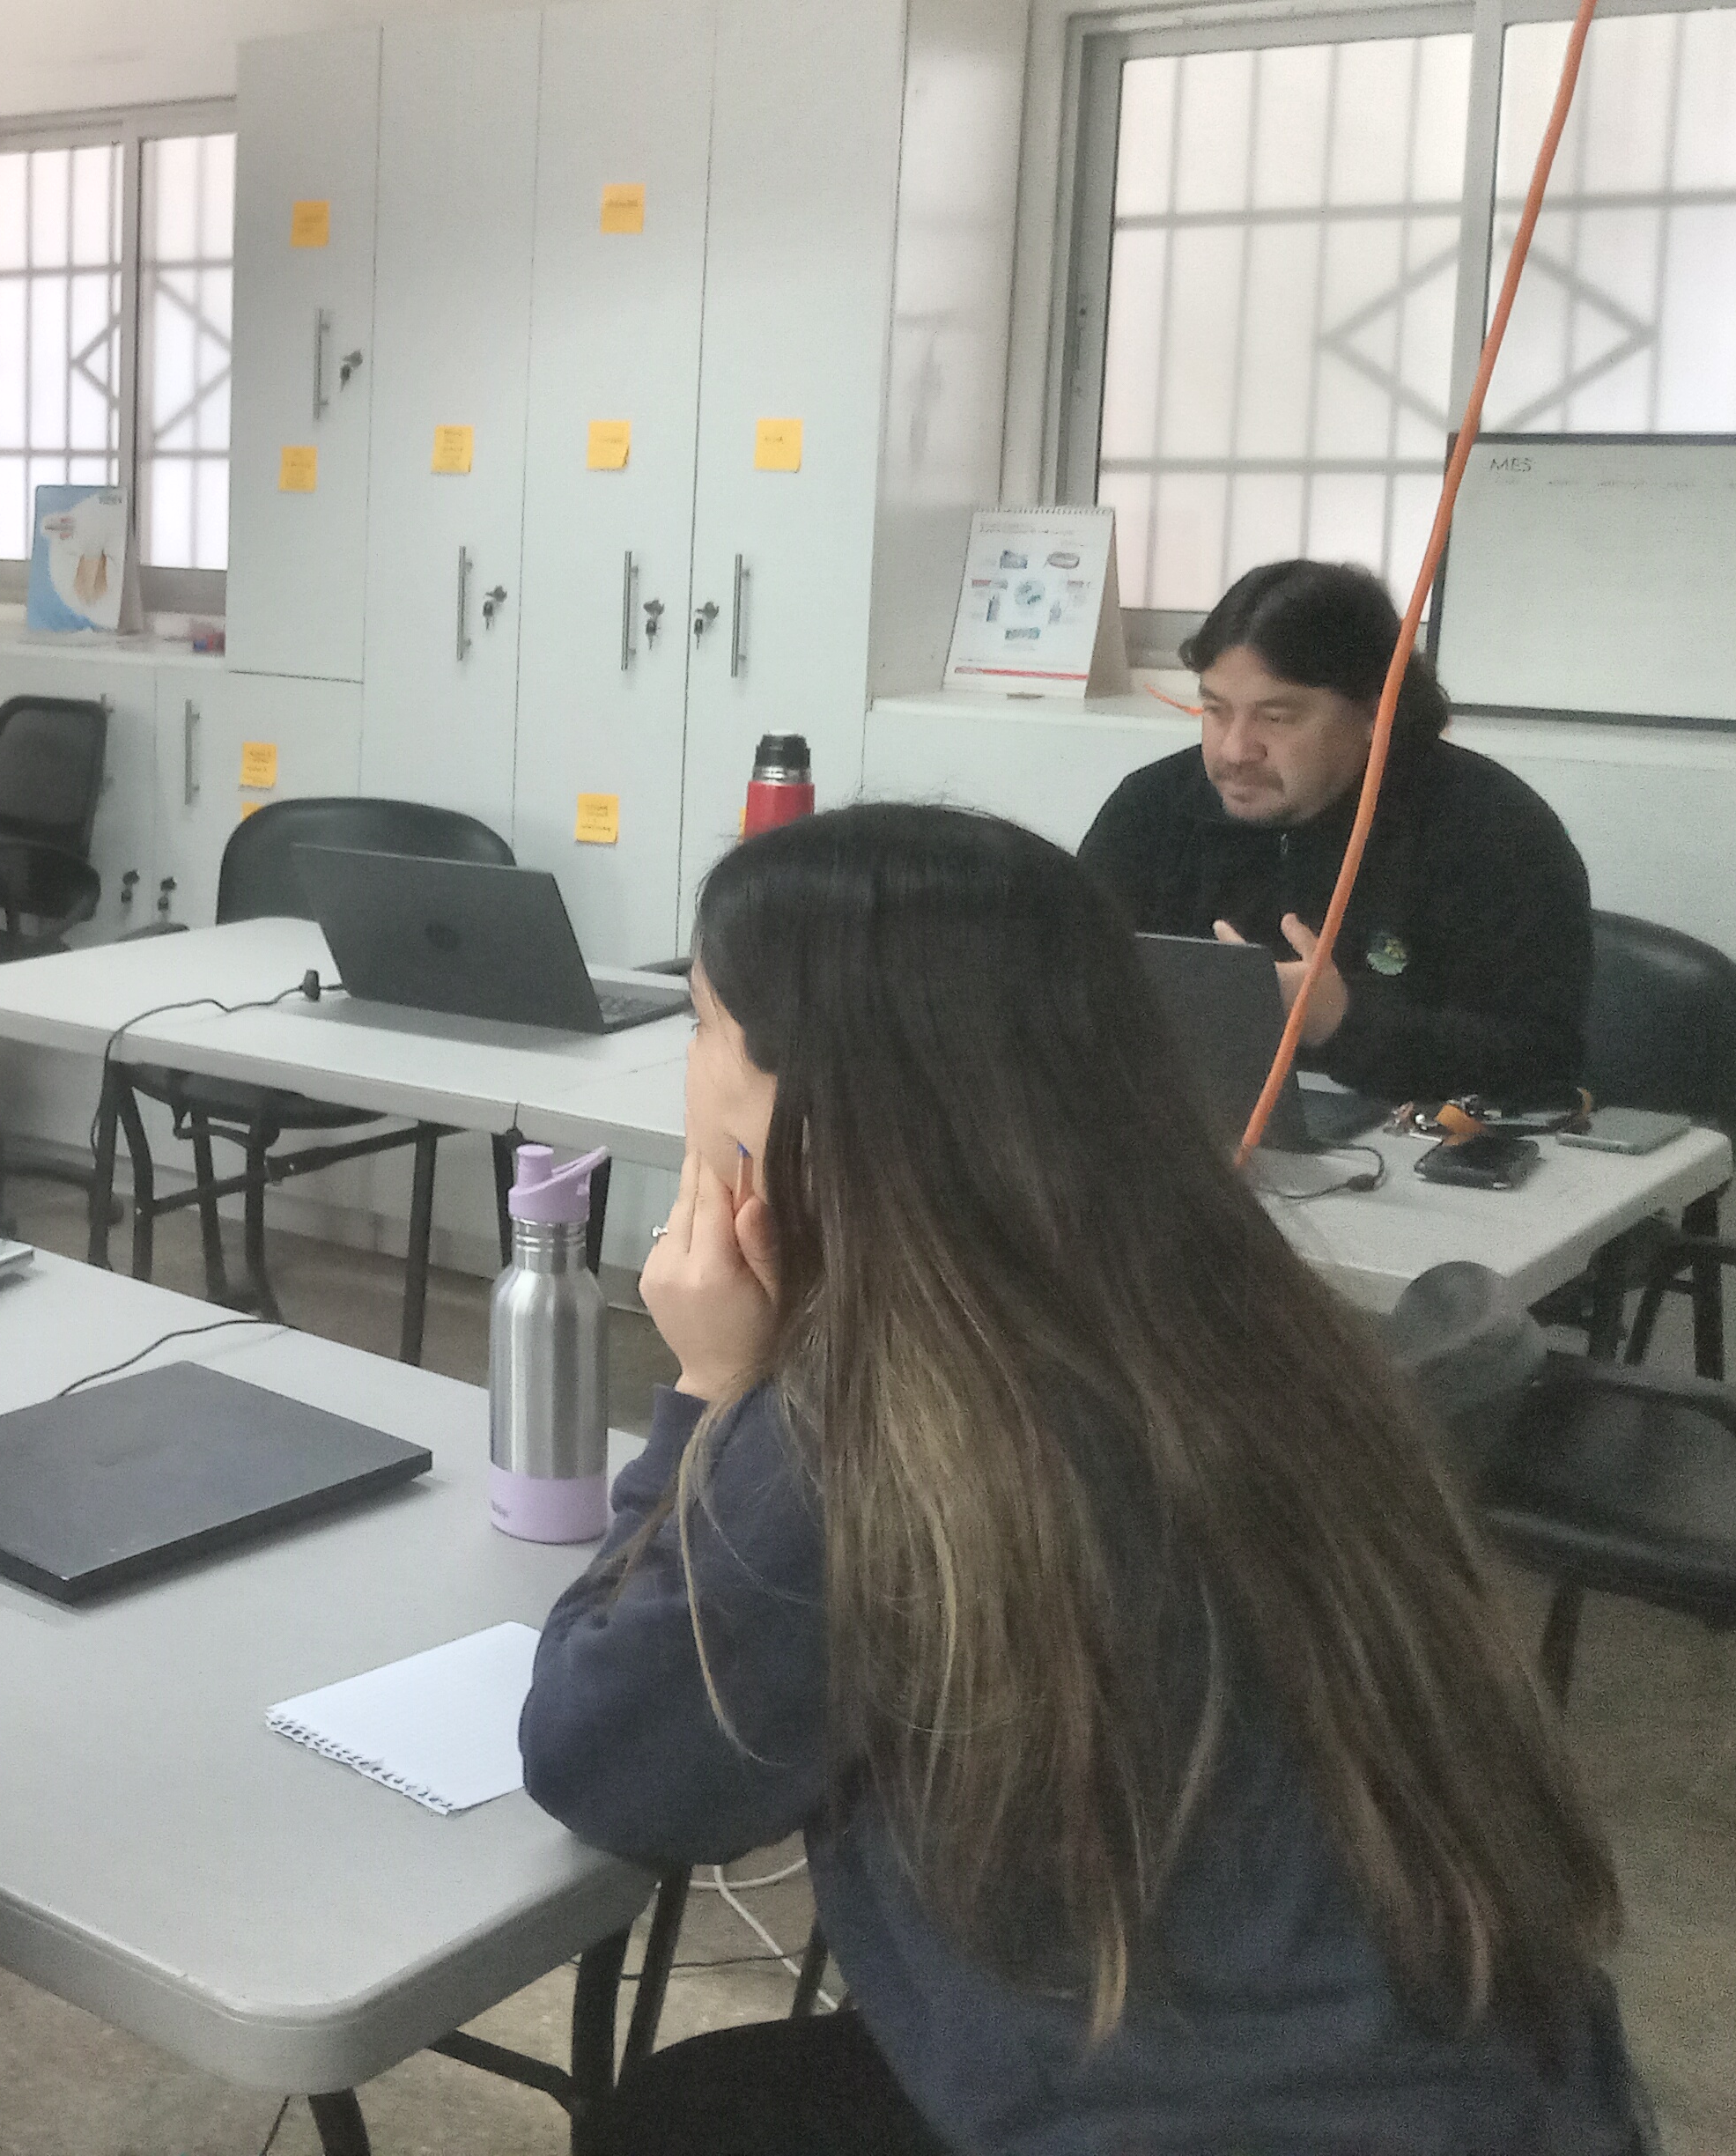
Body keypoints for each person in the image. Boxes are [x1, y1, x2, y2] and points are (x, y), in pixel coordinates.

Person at [521, 804, 1642, 2156]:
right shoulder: (1237, 1309)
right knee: (711, 2106)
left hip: (1221, 2125)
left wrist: (710, 1390)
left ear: (811, 1099)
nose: (687, 1069)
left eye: (705, 1024)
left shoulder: (883, 1419)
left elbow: (610, 1764)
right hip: (1503, 2093)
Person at [1076, 556, 1591, 1104]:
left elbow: (1540, 1061)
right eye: (1216, 710)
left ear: (1374, 713)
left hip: (1410, 1139)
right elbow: (1065, 988)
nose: (1235, 750)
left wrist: (1339, 1023)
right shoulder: (1154, 808)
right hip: (1180, 1124)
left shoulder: (1493, 831)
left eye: (1277, 718)